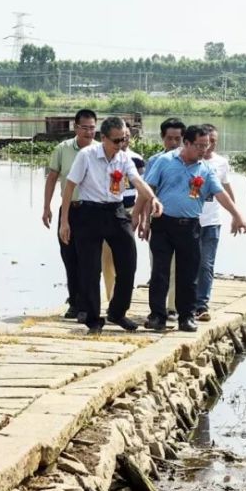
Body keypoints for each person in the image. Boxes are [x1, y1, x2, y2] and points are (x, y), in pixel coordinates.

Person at [141, 124, 246, 333]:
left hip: (190, 226)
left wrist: (237, 215)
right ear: (187, 143)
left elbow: (221, 194)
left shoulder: (206, 169)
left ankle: (186, 317)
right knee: (160, 272)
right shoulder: (164, 162)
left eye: (207, 145)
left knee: (189, 274)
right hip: (163, 224)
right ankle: (157, 315)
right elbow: (149, 190)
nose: (204, 150)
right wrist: (143, 220)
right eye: (199, 145)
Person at [59, 117, 162, 334]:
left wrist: (152, 198)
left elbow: (137, 181)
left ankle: (117, 311)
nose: (121, 144)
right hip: (89, 213)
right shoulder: (86, 156)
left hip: (116, 212)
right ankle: (93, 319)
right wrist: (64, 221)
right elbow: (69, 187)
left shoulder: (124, 158)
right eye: (116, 140)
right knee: (89, 268)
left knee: (128, 263)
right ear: (103, 138)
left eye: (124, 139)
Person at [43, 109, 96, 318]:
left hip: (93, 212)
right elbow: (52, 178)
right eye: (85, 128)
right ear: (76, 127)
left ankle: (86, 305)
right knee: (70, 257)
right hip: (69, 210)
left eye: (92, 128)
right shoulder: (62, 149)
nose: (89, 132)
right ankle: (74, 302)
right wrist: (46, 206)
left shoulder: (101, 151)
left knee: (89, 260)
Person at [194, 124, 235, 321]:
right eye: (205, 142)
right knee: (189, 263)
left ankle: (201, 304)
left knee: (206, 264)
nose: (209, 146)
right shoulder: (189, 162)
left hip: (212, 221)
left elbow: (225, 189)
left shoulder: (221, 163)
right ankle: (184, 303)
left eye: (213, 142)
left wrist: (236, 215)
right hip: (190, 219)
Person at [145, 118, 185, 318]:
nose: (174, 143)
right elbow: (146, 193)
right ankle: (158, 308)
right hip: (158, 220)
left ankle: (173, 307)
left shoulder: (191, 161)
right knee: (158, 266)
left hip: (181, 222)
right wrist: (144, 221)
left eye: (178, 138)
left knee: (177, 266)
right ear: (162, 138)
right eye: (170, 138)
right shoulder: (154, 161)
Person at [101, 127, 145, 301]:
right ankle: (111, 296)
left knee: (126, 254)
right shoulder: (102, 158)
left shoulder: (136, 159)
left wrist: (140, 214)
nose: (123, 141)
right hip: (107, 209)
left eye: (126, 137)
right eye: (119, 138)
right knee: (107, 255)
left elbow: (142, 186)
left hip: (129, 210)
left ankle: (122, 294)